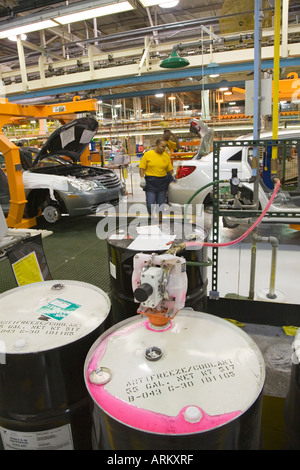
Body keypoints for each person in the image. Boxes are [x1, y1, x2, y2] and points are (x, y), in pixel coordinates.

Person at [139, 138, 174, 216]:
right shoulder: (148, 154)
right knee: (150, 203)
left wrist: (174, 176)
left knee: (160, 204)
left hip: (162, 182)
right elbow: (142, 168)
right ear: (156, 145)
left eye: (165, 147)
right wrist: (142, 178)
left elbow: (170, 169)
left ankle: (159, 220)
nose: (164, 149)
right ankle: (150, 216)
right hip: (151, 182)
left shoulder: (166, 155)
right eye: (162, 146)